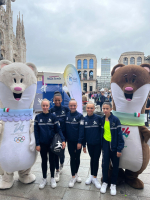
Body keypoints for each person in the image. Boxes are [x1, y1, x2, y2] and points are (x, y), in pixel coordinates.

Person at [34, 99, 66, 189]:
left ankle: (52, 177)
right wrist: (37, 144)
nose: (45, 107)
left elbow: (58, 129)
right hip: (42, 143)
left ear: (49, 106)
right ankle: (44, 178)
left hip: (52, 143)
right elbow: (36, 132)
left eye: (46, 106)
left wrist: (63, 140)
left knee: (52, 161)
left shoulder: (53, 116)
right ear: (41, 106)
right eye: (43, 106)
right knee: (44, 161)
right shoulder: (38, 117)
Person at [100, 102, 124, 196]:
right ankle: (105, 182)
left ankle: (113, 184)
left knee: (115, 165)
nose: (105, 110)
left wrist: (119, 149)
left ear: (111, 109)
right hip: (105, 145)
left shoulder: (115, 120)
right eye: (103, 108)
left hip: (114, 146)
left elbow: (120, 135)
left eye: (107, 108)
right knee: (105, 165)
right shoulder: (101, 119)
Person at [50, 92, 70, 183]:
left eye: (59, 100)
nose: (57, 101)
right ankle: (57, 170)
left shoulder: (65, 109)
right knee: (56, 152)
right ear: (53, 100)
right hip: (55, 134)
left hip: (64, 134)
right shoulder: (51, 110)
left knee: (62, 151)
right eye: (56, 100)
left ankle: (62, 163)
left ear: (61, 100)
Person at [65, 99, 84, 188]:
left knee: (78, 157)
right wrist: (64, 140)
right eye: (71, 105)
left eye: (74, 105)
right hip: (70, 142)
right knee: (72, 158)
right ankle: (73, 176)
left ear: (76, 106)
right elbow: (65, 129)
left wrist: (80, 141)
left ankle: (76, 174)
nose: (72, 107)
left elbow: (81, 130)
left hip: (77, 142)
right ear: (69, 106)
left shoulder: (80, 116)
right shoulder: (66, 115)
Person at [83, 102, 102, 189]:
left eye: (91, 108)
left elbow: (102, 131)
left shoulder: (98, 118)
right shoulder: (84, 119)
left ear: (94, 109)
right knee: (92, 159)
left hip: (97, 143)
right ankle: (91, 175)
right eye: (88, 108)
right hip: (89, 143)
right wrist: (84, 145)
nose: (89, 109)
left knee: (96, 159)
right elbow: (83, 133)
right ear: (86, 109)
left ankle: (95, 177)